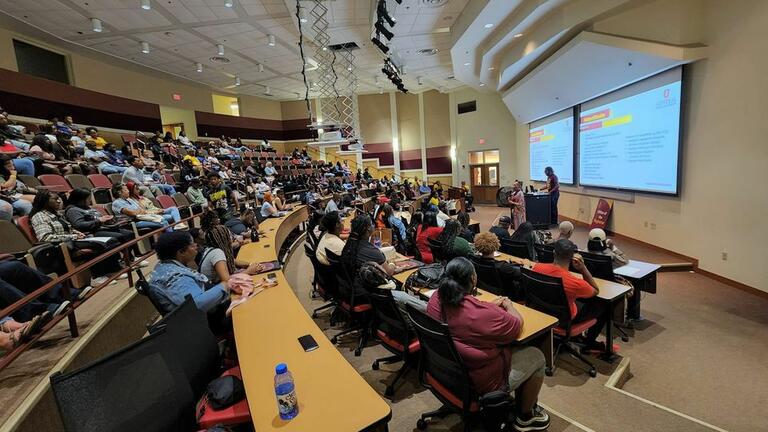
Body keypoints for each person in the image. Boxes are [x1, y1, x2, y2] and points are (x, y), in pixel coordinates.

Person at [426, 257, 550, 431]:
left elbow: (467, 317)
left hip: (444, 372)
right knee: (536, 356)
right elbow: (516, 325)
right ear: (473, 279)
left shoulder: (435, 299)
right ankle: (525, 416)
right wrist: (508, 305)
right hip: (480, 383)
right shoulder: (482, 315)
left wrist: (487, 307)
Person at [30, 190, 123, 285]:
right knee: (100, 244)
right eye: (55, 199)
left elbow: (67, 228)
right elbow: (45, 237)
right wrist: (73, 236)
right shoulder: (39, 216)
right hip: (61, 246)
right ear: (45, 201)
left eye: (59, 198)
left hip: (72, 240)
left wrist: (76, 232)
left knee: (111, 240)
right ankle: (96, 277)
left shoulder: (56, 213)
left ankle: (112, 271)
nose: (59, 201)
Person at [148, 232, 236, 331]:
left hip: (196, 318)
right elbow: (198, 304)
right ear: (181, 252)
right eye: (192, 245)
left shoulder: (163, 267)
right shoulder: (175, 278)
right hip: (203, 322)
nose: (196, 246)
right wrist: (225, 285)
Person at [533, 239, 608, 351]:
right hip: (563, 321)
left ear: (554, 253)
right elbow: (596, 290)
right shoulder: (576, 283)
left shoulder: (537, 267)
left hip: (541, 312)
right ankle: (589, 342)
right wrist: (583, 268)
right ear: (572, 257)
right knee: (603, 304)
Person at [64, 188, 143, 263]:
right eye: (88, 198)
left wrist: (107, 219)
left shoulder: (87, 207)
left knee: (129, 234)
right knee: (118, 237)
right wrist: (99, 221)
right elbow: (79, 225)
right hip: (91, 232)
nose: (90, 200)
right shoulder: (73, 210)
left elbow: (98, 218)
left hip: (102, 227)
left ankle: (129, 259)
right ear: (80, 199)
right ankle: (116, 266)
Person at [197, 212, 261, 284]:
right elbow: (228, 281)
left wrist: (251, 264)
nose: (233, 239)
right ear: (224, 239)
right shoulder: (217, 253)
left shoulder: (214, 249)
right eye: (229, 236)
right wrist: (248, 271)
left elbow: (233, 261)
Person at [473, 232, 523, 300]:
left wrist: (509, 261)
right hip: (504, 296)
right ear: (496, 245)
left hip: (485, 291)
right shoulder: (503, 267)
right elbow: (521, 274)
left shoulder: (474, 260)